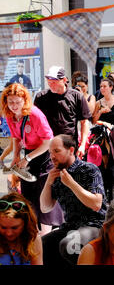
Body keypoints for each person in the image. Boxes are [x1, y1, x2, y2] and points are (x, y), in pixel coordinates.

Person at [1, 83, 63, 235]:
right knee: (28, 195)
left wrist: (27, 158)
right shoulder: (9, 115)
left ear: (24, 100)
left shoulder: (34, 114)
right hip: (29, 154)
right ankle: (33, 233)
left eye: (17, 102)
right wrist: (15, 156)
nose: (14, 106)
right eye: (11, 102)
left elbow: (48, 141)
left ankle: (47, 235)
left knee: (44, 194)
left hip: (45, 154)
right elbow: (16, 137)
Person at [39, 134, 108, 266]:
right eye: (50, 152)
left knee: (69, 245)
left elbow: (96, 204)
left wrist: (71, 184)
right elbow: (45, 207)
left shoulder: (89, 169)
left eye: (57, 151)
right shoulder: (56, 175)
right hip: (70, 226)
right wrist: (48, 182)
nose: (52, 156)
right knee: (42, 245)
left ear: (71, 150)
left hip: (94, 225)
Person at [34, 66, 91, 159]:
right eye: (49, 82)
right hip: (48, 146)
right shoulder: (41, 97)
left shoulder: (76, 96)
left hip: (69, 146)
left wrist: (83, 145)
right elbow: (34, 122)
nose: (51, 85)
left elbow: (84, 122)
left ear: (64, 80)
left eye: (54, 82)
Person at [0, 192, 43, 265]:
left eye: (15, 228)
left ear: (26, 224)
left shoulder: (33, 240)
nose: (9, 233)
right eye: (3, 227)